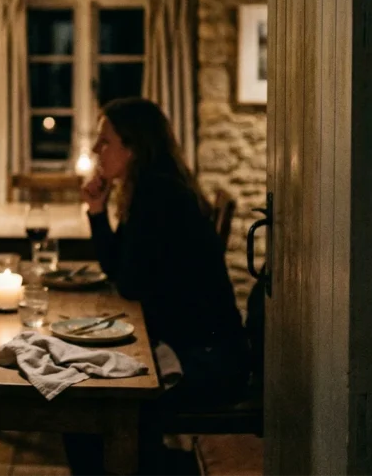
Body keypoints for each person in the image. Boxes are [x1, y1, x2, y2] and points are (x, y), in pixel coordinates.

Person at [73, 97, 248, 474]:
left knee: (84, 407)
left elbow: (129, 283)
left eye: (105, 141)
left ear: (133, 147)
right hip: (193, 344)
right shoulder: (148, 188)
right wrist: (98, 211)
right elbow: (119, 269)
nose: (94, 150)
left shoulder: (160, 197)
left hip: (205, 359)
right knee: (82, 392)